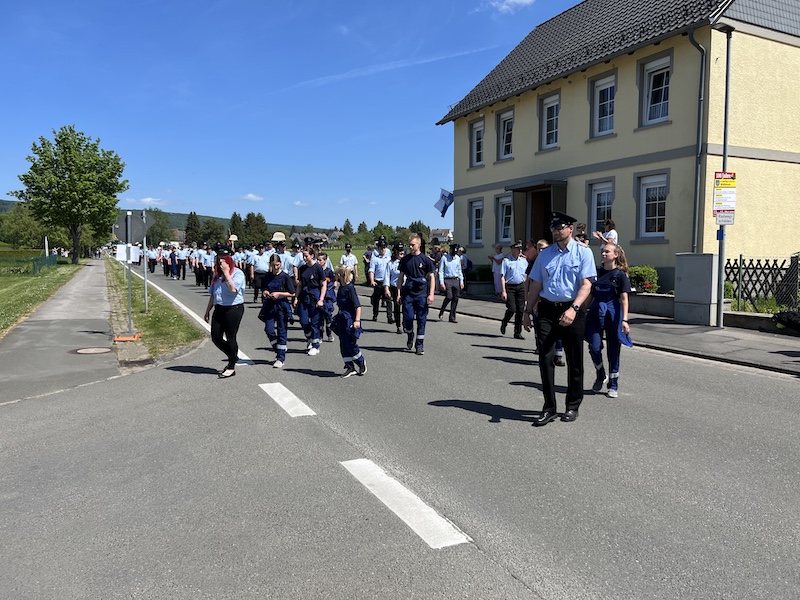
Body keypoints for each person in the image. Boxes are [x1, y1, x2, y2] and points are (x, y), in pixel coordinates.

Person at [524, 211, 597, 425]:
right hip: (547, 309)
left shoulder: (583, 253)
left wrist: (574, 308)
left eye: (560, 228)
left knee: (574, 360)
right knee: (545, 358)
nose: (556, 231)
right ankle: (549, 408)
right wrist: (527, 312)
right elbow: (536, 285)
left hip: (572, 308)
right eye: (553, 228)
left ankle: (572, 406)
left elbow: (586, 285)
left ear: (570, 229)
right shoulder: (545, 254)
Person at [585, 243, 633, 398]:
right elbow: (590, 294)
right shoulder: (596, 272)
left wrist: (624, 320)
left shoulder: (620, 275)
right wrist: (581, 310)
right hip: (595, 312)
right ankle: (600, 374)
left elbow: (624, 299)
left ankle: (613, 384)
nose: (603, 254)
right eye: (602, 251)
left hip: (613, 314)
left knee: (613, 350)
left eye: (607, 251)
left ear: (615, 255)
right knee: (594, 347)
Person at [203, 249, 246, 379]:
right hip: (219, 308)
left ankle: (231, 367)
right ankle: (233, 355)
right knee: (216, 337)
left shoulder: (238, 273)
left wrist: (227, 273)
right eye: (219, 260)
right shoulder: (217, 275)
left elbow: (233, 290)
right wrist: (208, 310)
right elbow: (213, 294)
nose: (221, 263)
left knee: (230, 337)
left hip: (233, 309)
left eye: (223, 260)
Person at [397, 234, 436, 355]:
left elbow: (432, 277)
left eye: (413, 245)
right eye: (409, 245)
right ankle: (410, 335)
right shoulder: (405, 260)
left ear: (419, 245)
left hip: (421, 293)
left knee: (421, 319)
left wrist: (431, 294)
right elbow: (400, 278)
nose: (410, 247)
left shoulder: (426, 260)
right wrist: (398, 294)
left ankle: (419, 345)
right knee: (408, 318)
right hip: (408, 293)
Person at [259, 253, 295, 369]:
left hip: (281, 306)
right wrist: (265, 292)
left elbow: (292, 293)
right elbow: (264, 288)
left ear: (280, 264)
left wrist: (279, 294)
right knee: (269, 330)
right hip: (270, 305)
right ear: (270, 264)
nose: (276, 267)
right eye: (273, 265)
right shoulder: (267, 276)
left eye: (278, 265)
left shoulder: (285, 277)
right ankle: (277, 348)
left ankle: (280, 358)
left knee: (282, 331)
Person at [332, 265, 367, 378]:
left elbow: (357, 306)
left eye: (336, 274)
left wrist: (357, 320)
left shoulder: (350, 288)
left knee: (350, 344)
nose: (334, 275)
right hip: (341, 319)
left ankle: (361, 362)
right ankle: (349, 367)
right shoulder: (341, 288)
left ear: (339, 275)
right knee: (343, 344)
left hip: (350, 321)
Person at [295, 248, 327, 356]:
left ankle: (315, 345)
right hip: (304, 296)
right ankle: (309, 337)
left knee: (315, 322)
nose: (304, 258)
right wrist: (296, 297)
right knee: (303, 321)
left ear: (312, 255)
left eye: (306, 256)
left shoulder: (317, 268)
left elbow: (323, 284)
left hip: (315, 295)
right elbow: (300, 285)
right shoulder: (302, 268)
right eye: (303, 256)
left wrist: (321, 299)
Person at [499, 241, 528, 339]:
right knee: (512, 309)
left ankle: (517, 332)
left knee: (520, 310)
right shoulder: (506, 261)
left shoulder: (524, 261)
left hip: (521, 286)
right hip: (510, 287)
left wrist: (527, 290)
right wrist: (503, 291)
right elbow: (502, 277)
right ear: (512, 249)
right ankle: (505, 322)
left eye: (521, 249)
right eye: (518, 249)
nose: (520, 251)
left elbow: (526, 276)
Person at [438, 242, 464, 323]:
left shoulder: (457, 258)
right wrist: (441, 282)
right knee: (449, 296)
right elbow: (441, 271)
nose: (454, 253)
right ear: (450, 250)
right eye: (453, 251)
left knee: (456, 298)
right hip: (447, 279)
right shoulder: (444, 258)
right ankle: (442, 310)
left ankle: (452, 317)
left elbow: (459, 270)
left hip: (456, 279)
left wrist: (461, 281)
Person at [368, 238, 392, 322]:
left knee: (388, 300)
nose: (383, 249)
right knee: (376, 300)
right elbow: (371, 271)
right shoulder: (374, 259)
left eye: (384, 247)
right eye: (381, 248)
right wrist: (372, 281)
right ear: (378, 249)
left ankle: (389, 317)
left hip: (387, 282)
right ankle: (375, 315)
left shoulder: (389, 258)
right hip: (378, 282)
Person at [384, 243, 405, 334]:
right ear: (395, 252)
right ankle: (398, 325)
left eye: (402, 250)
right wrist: (386, 288)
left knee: (406, 307)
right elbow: (387, 276)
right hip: (395, 287)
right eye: (399, 251)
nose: (401, 252)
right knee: (397, 306)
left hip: (405, 286)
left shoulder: (406, 261)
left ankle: (405, 324)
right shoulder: (390, 263)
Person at [318, 252, 336, 342]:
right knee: (319, 317)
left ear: (325, 261)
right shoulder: (316, 271)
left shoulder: (329, 271)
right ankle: (320, 335)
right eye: (317, 260)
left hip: (328, 297)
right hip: (319, 296)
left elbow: (334, 282)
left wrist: (328, 287)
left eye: (320, 260)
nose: (318, 262)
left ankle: (329, 333)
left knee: (328, 316)